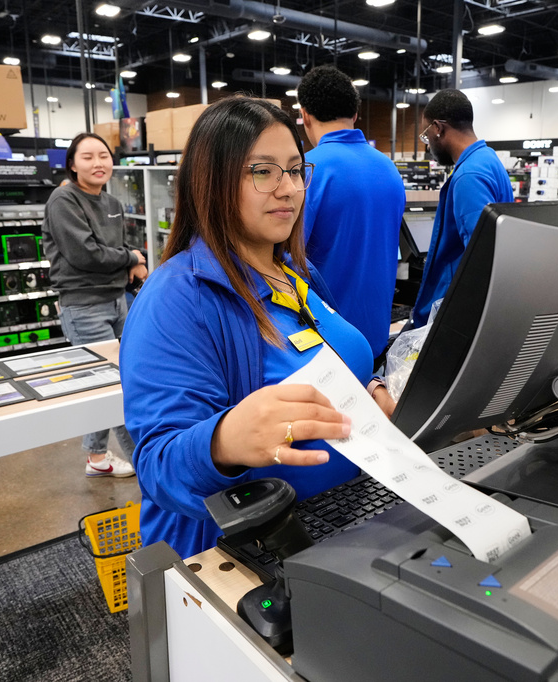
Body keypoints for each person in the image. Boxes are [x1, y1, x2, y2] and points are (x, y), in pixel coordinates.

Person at [119, 97, 396, 559]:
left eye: (294, 170)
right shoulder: (177, 298)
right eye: (263, 171)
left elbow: (320, 361)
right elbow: (157, 465)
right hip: (246, 553)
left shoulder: (294, 272)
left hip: (336, 524)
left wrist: (369, 388)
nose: (287, 188)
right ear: (214, 181)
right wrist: (225, 439)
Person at [41, 132, 148, 478]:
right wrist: (131, 256)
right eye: (87, 157)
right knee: (116, 386)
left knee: (116, 380)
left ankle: (96, 456)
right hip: (84, 305)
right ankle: (146, 466)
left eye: (103, 155)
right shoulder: (63, 200)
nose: (98, 163)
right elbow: (83, 254)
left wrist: (131, 260)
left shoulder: (112, 204)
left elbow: (116, 245)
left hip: (118, 300)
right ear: (72, 164)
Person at [297, 65, 406, 358]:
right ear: (355, 114)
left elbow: (283, 263)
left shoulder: (307, 171)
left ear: (305, 115)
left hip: (325, 347)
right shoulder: (390, 170)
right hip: (376, 343)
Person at [411, 89, 514, 327]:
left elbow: (480, 259)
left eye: (426, 136)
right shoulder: (489, 160)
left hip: (454, 313)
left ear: (438, 127)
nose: (428, 147)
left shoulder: (469, 176)